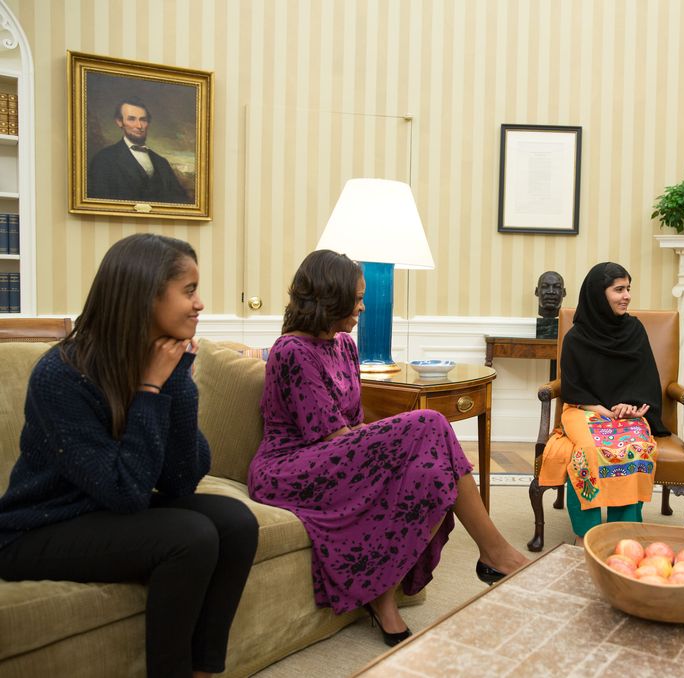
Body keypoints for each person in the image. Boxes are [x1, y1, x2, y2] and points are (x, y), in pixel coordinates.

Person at [0, 234, 259, 678]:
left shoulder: (155, 360)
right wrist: (151, 390)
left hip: (101, 508)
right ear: (144, 294)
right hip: (38, 528)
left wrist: (175, 381)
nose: (199, 304)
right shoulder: (61, 375)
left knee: (236, 522)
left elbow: (182, 479)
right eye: (189, 290)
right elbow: (126, 491)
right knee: (190, 535)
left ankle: (204, 670)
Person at [248, 249, 528, 647]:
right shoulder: (290, 351)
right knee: (429, 422)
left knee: (431, 473)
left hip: (334, 455)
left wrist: (392, 449)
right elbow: (329, 436)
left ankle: (384, 600)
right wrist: (393, 445)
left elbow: (355, 424)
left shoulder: (345, 344)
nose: (363, 305)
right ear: (332, 297)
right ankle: (496, 554)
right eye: (357, 297)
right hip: (291, 467)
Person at [537, 262, 670, 546]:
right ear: (599, 294)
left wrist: (630, 407)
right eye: (618, 289)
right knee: (588, 450)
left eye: (628, 289)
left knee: (635, 447)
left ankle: (624, 532)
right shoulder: (575, 338)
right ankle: (586, 534)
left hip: (626, 414)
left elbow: (646, 379)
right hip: (584, 410)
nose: (626, 296)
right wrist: (601, 410)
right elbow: (573, 389)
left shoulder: (634, 330)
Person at [88, 99, 191, 204]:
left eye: (143, 120)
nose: (139, 126)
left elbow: (181, 203)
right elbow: (99, 203)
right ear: (120, 122)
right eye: (131, 119)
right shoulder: (103, 159)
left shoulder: (162, 163)